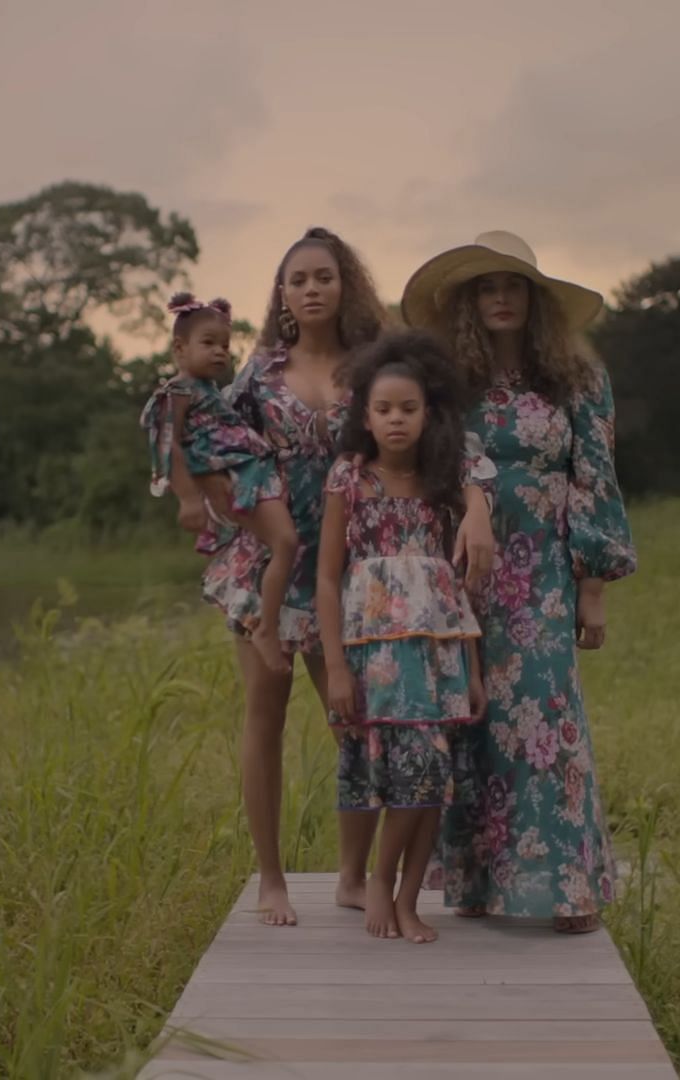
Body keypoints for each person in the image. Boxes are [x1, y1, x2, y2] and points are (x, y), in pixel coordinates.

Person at [195, 227, 497, 927]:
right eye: (296, 278)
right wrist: (206, 500)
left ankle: (354, 876)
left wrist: (477, 501)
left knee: (359, 723)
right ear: (282, 294)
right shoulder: (257, 377)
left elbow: (452, 441)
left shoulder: (374, 368)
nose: (311, 288)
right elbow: (212, 445)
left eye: (323, 276)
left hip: (358, 572)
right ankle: (271, 878)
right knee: (264, 715)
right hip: (273, 563)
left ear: (344, 284)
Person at [401, 231, 637, 934]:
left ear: (534, 300)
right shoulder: (447, 381)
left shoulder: (579, 380)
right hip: (464, 566)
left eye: (512, 286)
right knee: (472, 718)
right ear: (470, 303)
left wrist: (592, 584)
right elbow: (431, 459)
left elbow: (596, 478)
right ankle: (478, 882)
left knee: (545, 715)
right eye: (486, 287)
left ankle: (567, 887)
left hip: (544, 569)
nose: (500, 297)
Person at [316, 332, 485, 944]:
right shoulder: (349, 480)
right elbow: (328, 578)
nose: (396, 419)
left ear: (426, 414)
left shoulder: (441, 483)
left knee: (432, 780)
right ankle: (379, 884)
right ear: (365, 415)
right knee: (398, 778)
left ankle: (408, 897)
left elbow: (453, 592)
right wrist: (335, 667)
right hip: (376, 661)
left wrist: (472, 668)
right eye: (384, 409)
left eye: (408, 409)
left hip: (436, 660)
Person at [139, 292, 299, 673]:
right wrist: (189, 499)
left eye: (225, 346)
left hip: (252, 472)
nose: (219, 353)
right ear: (179, 348)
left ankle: (259, 616)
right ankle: (265, 628)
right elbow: (168, 444)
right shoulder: (176, 392)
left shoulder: (209, 391)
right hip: (237, 479)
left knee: (278, 547)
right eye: (208, 343)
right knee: (285, 542)